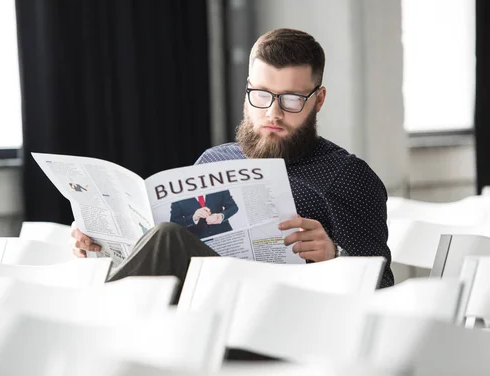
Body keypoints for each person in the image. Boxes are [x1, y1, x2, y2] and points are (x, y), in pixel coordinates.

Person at [71, 28, 394, 291]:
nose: (273, 113)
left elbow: (383, 294)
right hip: (190, 315)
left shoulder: (347, 177)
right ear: (248, 91)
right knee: (162, 237)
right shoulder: (213, 160)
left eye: (292, 100)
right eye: (262, 95)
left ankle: (88, 332)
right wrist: (102, 246)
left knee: (168, 237)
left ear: (318, 100)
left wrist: (335, 256)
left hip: (278, 324)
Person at [170, 190, 239, 238]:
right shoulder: (178, 196)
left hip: (225, 236)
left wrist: (221, 216)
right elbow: (174, 223)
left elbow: (233, 207)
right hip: (198, 242)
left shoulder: (217, 185)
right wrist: (193, 218)